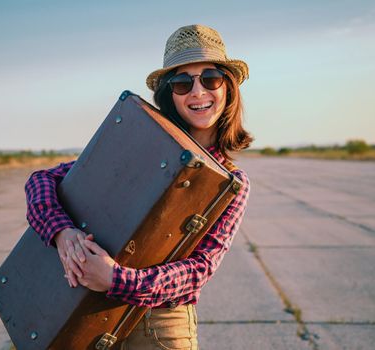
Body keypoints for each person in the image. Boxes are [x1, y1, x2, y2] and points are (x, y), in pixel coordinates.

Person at [25, 24, 253, 350]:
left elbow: (199, 269)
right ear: (169, 94)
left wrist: (116, 280)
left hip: (160, 322)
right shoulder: (139, 143)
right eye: (182, 82)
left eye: (211, 78)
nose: (198, 91)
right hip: (81, 305)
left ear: (227, 88)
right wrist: (63, 234)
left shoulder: (233, 183)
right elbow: (41, 181)